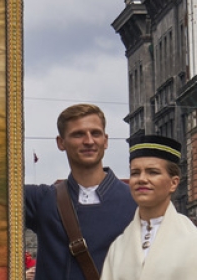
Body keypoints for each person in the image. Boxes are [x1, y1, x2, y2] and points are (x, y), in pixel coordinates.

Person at [25, 103, 137, 280]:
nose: (89, 141)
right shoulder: (42, 201)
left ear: (106, 140)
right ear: (61, 142)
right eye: (78, 134)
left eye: (95, 133)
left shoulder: (136, 201)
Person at [102, 135, 197, 279]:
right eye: (135, 173)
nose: (142, 179)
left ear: (173, 183)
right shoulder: (119, 247)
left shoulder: (191, 240)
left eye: (153, 172)